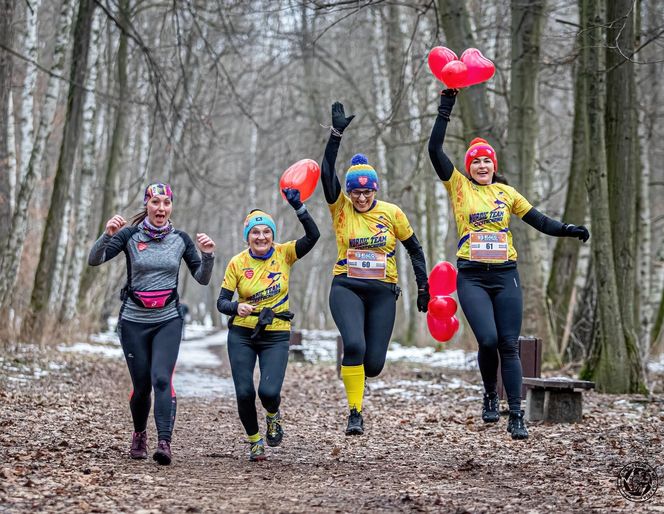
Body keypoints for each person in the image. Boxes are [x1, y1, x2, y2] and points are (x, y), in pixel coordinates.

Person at [428, 89, 590, 440]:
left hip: (505, 276)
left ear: (494, 166)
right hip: (471, 276)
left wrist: (569, 230)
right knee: (487, 339)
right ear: (468, 167)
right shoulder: (458, 187)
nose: (482, 166)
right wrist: (446, 106)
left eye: (487, 161)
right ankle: (489, 394)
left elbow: (540, 220)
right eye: (476, 161)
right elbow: (434, 151)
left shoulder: (507, 194)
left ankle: (516, 414)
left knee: (508, 343)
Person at [321, 102, 430, 436]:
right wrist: (336, 135)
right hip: (347, 286)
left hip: (383, 291)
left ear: (375, 191)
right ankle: (355, 413)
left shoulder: (392, 213)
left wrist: (423, 286)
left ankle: (361, 379)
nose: (361, 197)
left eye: (367, 191)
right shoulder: (341, 210)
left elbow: (414, 249)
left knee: (374, 364)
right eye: (356, 191)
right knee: (354, 346)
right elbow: (327, 172)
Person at [88, 182, 216, 464]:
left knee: (161, 378)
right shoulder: (130, 236)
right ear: (147, 204)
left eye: (166, 203)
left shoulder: (180, 239)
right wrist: (107, 235)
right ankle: (139, 433)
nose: (161, 208)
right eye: (155, 202)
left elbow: (202, 278)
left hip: (167, 320)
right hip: (133, 321)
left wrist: (207, 256)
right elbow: (94, 260)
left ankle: (164, 442)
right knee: (142, 385)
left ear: (171, 207)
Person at [216, 188, 319, 461]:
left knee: (268, 391)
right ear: (247, 236)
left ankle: (273, 415)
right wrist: (236, 306)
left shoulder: (284, 254)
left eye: (266, 232)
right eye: (255, 232)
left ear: (273, 235)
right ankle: (254, 441)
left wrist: (300, 208)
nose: (261, 237)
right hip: (242, 333)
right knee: (245, 391)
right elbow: (221, 302)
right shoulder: (237, 263)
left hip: (276, 334)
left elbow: (313, 237)